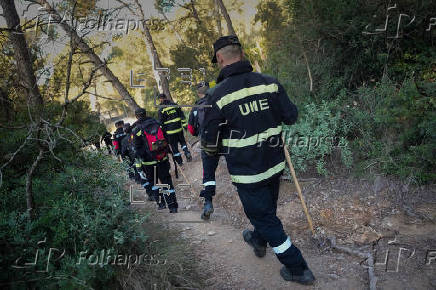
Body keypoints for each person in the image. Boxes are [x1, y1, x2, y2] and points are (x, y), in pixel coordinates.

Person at [201, 35, 315, 285]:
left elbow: (209, 144)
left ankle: (298, 268)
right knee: (265, 211)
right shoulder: (269, 84)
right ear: (241, 54)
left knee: (265, 217)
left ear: (220, 59)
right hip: (274, 166)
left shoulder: (216, 96)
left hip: (248, 174)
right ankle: (258, 239)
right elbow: (292, 116)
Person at [132, 107, 178, 213]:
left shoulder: (136, 129)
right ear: (145, 113)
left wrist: (142, 158)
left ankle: (161, 204)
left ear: (136, 116)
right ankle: (173, 206)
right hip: (162, 158)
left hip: (149, 163)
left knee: (154, 183)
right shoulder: (157, 123)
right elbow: (166, 138)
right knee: (166, 182)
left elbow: (137, 149)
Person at [187, 82, 219, 220]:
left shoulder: (196, 108)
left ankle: (208, 203)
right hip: (225, 142)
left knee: (208, 175)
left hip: (207, 144)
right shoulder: (218, 101)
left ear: (198, 92)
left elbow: (191, 129)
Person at [158, 93, 192, 165]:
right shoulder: (175, 105)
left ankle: (180, 162)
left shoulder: (161, 109)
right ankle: (186, 152)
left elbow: (161, 124)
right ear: (166, 97)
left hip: (170, 132)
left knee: (174, 147)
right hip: (179, 129)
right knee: (183, 142)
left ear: (160, 99)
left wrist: (164, 135)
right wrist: (184, 126)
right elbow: (182, 116)